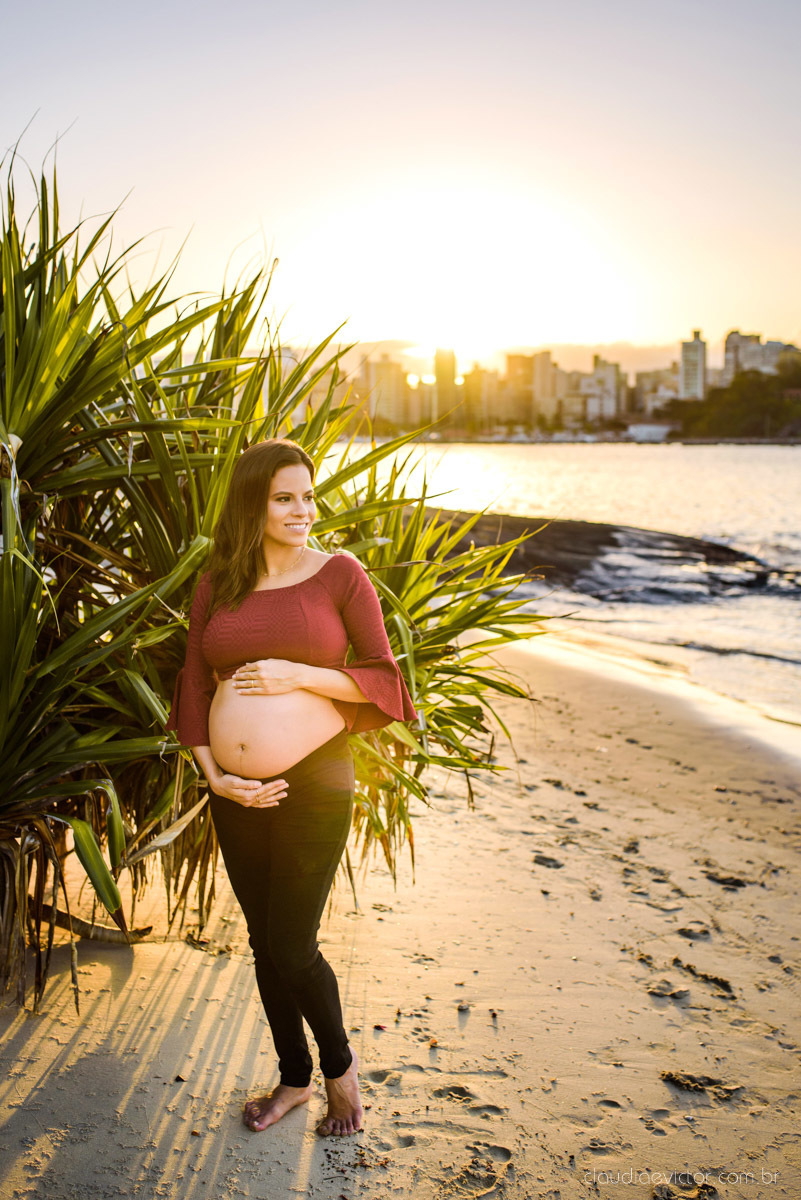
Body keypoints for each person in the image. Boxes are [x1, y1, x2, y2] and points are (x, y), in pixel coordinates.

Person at [165, 437, 418, 1137]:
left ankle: (340, 1075)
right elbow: (193, 680)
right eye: (285, 498)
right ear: (253, 503)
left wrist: (296, 674)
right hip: (234, 790)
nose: (303, 509)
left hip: (315, 780)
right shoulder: (217, 583)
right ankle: (292, 1080)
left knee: (291, 944)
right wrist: (214, 774)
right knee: (260, 940)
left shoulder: (338, 574)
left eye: (308, 495)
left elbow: (384, 678)